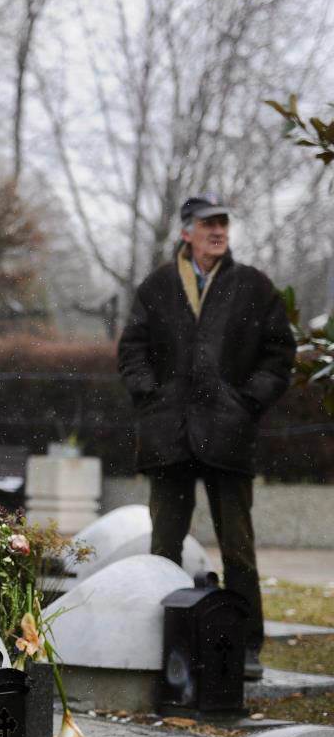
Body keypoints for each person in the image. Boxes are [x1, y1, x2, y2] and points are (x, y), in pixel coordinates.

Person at [118, 193, 295, 679]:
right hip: (168, 436)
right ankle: (162, 647)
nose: (218, 231)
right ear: (186, 232)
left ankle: (246, 648)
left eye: (222, 223)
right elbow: (131, 349)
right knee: (163, 547)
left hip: (228, 436)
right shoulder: (156, 286)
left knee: (238, 548)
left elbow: (279, 353)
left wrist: (246, 402)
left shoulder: (253, 286)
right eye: (207, 223)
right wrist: (150, 397)